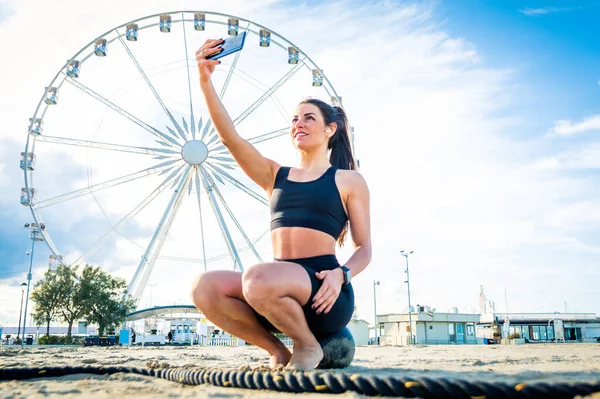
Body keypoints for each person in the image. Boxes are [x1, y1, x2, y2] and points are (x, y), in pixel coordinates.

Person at [190, 39, 372, 371]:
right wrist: (205, 81)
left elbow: (365, 248)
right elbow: (230, 137)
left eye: (309, 118)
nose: (298, 123)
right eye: (294, 119)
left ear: (330, 129)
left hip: (324, 291)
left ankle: (307, 345)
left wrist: (341, 275)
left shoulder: (348, 180)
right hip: (273, 294)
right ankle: (278, 350)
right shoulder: (275, 175)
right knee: (205, 287)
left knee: (257, 277)